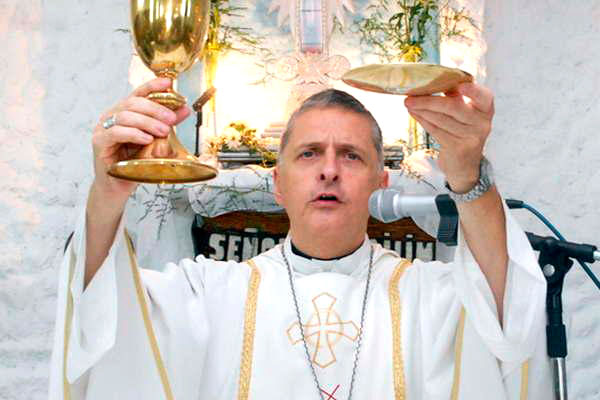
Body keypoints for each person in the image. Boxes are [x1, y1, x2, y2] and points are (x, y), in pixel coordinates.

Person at [49, 77, 551, 399]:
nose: (329, 170)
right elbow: (105, 317)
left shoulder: (428, 296)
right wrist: (108, 191)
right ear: (278, 184)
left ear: (381, 184)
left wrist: (467, 173)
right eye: (309, 154)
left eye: (351, 155)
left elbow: (508, 313)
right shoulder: (212, 294)